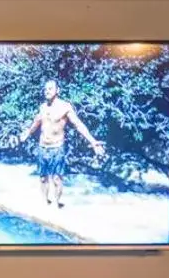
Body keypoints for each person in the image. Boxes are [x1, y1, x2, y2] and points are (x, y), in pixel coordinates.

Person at [18, 79, 105, 209]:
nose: (47, 91)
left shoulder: (65, 107)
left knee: (57, 179)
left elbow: (78, 124)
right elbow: (36, 122)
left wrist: (92, 141)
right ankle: (45, 202)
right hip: (42, 147)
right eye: (45, 89)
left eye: (50, 89)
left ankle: (56, 203)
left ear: (57, 90)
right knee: (43, 178)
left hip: (57, 148)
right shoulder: (42, 107)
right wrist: (27, 133)